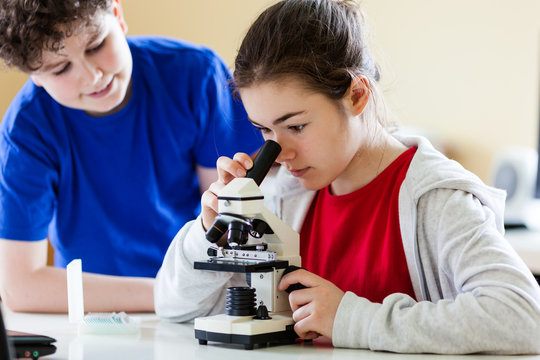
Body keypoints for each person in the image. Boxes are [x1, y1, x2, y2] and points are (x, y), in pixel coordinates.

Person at [154, 0, 540, 354]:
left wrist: (352, 319)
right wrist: (209, 234)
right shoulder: (282, 197)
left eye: (297, 126)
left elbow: (523, 316)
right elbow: (172, 306)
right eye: (265, 132)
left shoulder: (435, 200)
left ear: (356, 95)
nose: (281, 152)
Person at [0, 0, 262, 313]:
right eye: (61, 68)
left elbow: (229, 220)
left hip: (199, 303)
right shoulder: (27, 131)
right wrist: (170, 294)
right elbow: (20, 287)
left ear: (118, 16)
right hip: (94, 316)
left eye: (96, 45)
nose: (93, 75)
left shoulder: (195, 75)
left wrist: (187, 294)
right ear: (36, 76)